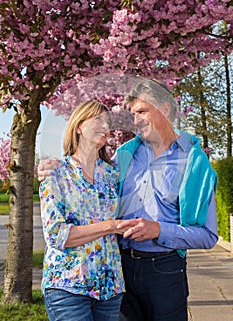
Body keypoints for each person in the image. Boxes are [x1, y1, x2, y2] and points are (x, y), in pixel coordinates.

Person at [38, 79, 218, 321]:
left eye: (142, 111)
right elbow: (81, 176)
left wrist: (159, 230)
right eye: (133, 114)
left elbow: (208, 235)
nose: (135, 121)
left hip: (163, 270)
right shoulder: (124, 156)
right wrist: (49, 167)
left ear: (164, 109)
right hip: (119, 270)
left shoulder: (195, 162)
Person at [39, 100, 125, 321]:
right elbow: (57, 235)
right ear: (78, 126)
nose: (105, 127)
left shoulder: (113, 175)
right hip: (68, 286)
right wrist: (111, 226)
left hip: (110, 286)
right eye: (98, 120)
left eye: (108, 123)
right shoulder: (55, 173)